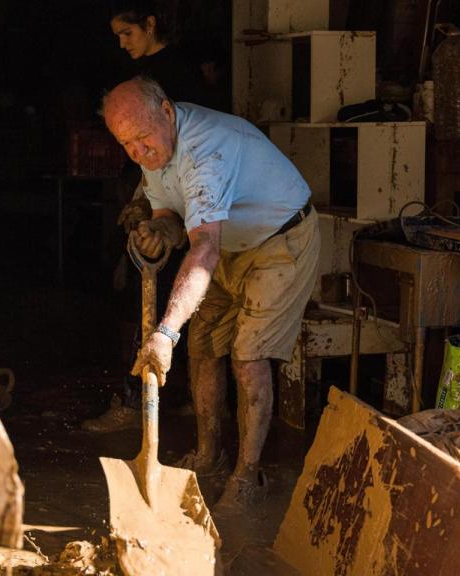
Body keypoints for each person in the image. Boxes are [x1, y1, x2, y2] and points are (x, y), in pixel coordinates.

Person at [102, 77, 320, 511]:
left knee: (247, 356)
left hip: (280, 240)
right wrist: (158, 230)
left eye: (143, 140)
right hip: (228, 244)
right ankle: (208, 456)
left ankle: (247, 474)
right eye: (127, 145)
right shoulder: (154, 143)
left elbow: (204, 248)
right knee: (200, 345)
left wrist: (164, 334)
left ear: (166, 111)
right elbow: (169, 213)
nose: (139, 153)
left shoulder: (207, 152)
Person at [81, 0, 214, 433]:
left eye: (128, 34)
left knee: (153, 298)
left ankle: (137, 400)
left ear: (150, 25)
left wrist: (145, 203)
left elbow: (167, 152)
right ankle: (158, 398)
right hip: (155, 194)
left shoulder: (175, 75)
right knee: (147, 295)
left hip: (175, 201)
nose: (122, 44)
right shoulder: (153, 74)